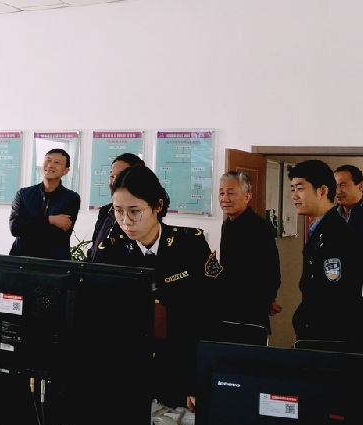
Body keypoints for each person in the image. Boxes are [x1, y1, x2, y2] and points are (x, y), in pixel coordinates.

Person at [96, 165, 219, 408]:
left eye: (134, 211)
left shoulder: (191, 244)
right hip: (128, 374)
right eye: (118, 211)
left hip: (180, 370)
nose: (125, 221)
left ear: (158, 206)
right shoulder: (110, 252)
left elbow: (210, 315)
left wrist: (199, 380)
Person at [288, 159, 363, 345]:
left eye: (300, 188)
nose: (294, 196)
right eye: (292, 189)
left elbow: (335, 295)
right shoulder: (319, 229)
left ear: (322, 191)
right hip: (315, 334)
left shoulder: (336, 234)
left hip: (328, 337)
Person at [214, 171, 281, 333]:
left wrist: (269, 299)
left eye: (231, 193)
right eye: (221, 193)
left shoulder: (259, 228)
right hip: (227, 309)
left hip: (250, 312)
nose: (224, 198)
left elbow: (272, 271)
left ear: (247, 197)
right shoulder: (227, 225)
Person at [9, 148, 80, 260]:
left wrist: (29, 224)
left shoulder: (71, 198)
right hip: (21, 259)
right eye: (48, 160)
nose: (50, 165)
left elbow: (59, 235)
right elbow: (15, 228)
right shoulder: (23, 194)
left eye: (57, 162)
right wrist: (50, 220)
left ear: (66, 170)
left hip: (54, 262)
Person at [88, 152, 144, 262]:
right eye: (112, 176)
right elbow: (94, 249)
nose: (114, 181)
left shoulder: (144, 214)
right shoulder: (105, 211)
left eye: (120, 176)